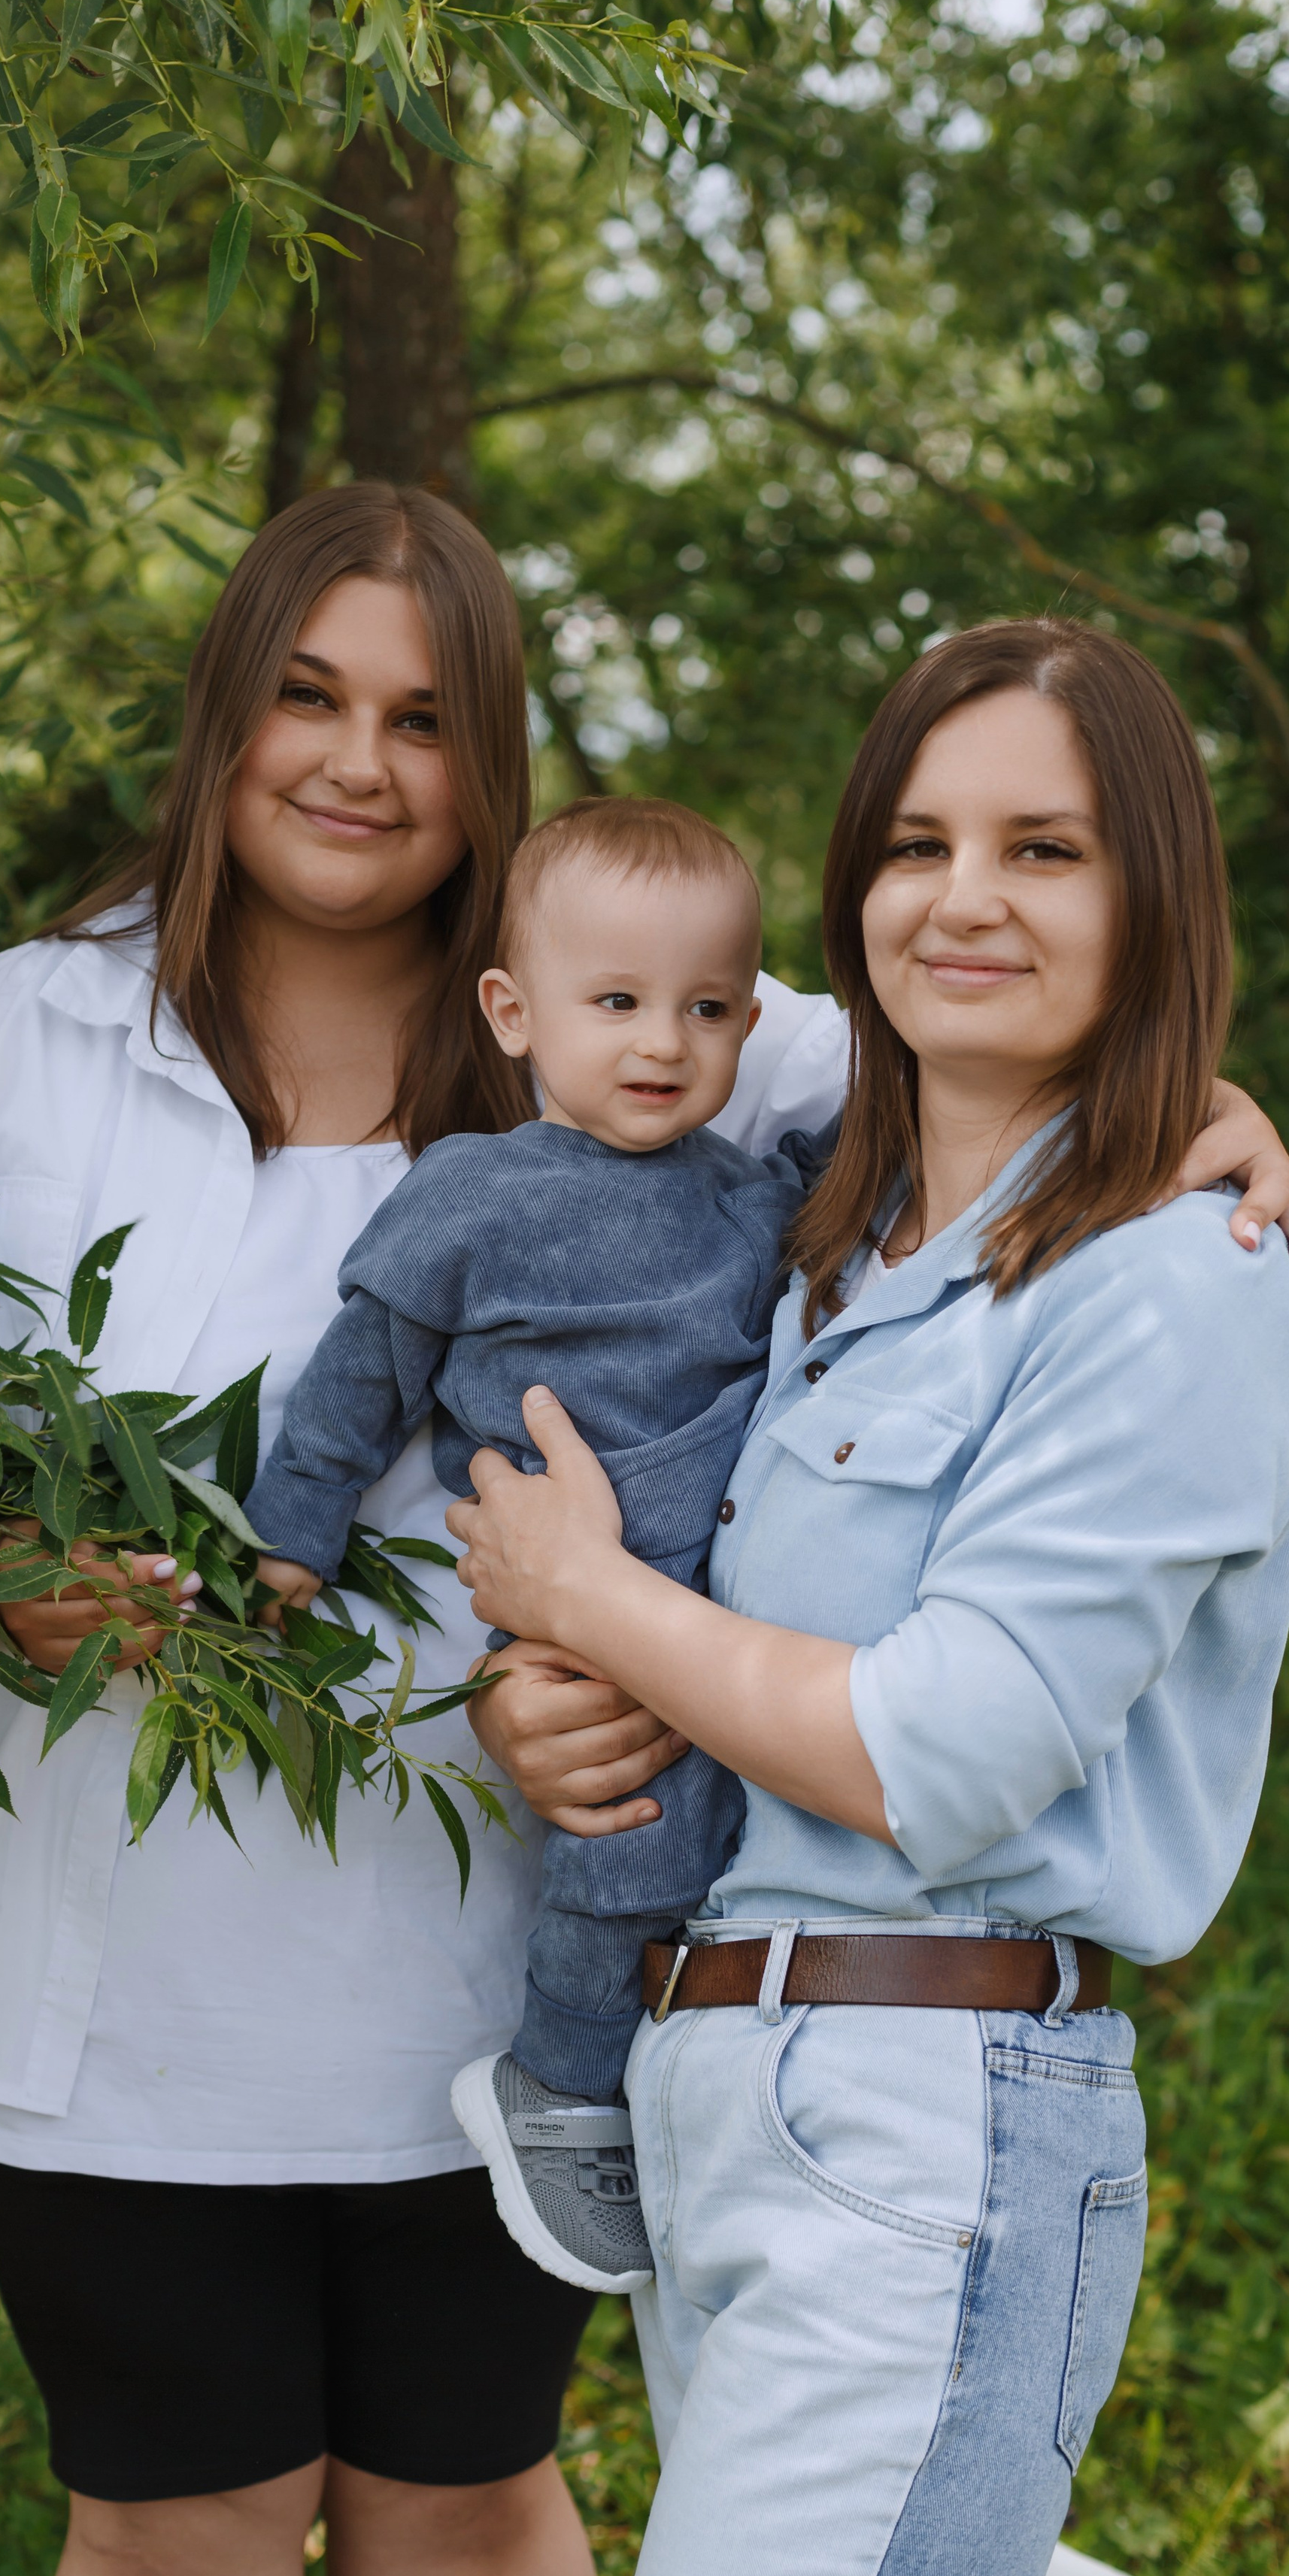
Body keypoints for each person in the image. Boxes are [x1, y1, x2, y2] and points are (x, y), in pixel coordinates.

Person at [0, 479, 1289, 2576]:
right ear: (221, 718)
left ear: (494, 764)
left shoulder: (678, 1028)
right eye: (306, 696)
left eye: (420, 715)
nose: (358, 763)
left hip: (510, 1957)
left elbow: (1002, 1040)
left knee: (474, 2492)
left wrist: (1231, 1129)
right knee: (176, 2510)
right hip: (111, 1954)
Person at [450, 619, 1289, 2576]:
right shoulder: (842, 1252)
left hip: (930, 2124)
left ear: (1153, 905)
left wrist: (588, 1597)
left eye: (1048, 848)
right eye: (919, 843)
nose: (968, 897)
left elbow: (936, 1752)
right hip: (732, 2102)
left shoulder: (1174, 1284)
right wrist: (535, 1698)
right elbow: (601, 988)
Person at [247, 796, 808, 2295]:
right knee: (631, 1843)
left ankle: (680, 2091)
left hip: (724, 1590)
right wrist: (292, 1532)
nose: (660, 1043)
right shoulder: (468, 1194)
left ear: (748, 1021)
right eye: (614, 1003)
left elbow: (920, 1166)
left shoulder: (752, 1196)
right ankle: (559, 2081)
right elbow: (360, 1374)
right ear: (513, 1013)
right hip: (567, 1604)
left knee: (742, 1861)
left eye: (702, 1010)